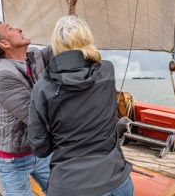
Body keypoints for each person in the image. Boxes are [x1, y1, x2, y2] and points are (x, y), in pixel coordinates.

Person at [0, 0, 79, 195]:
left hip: (40, 151)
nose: (19, 28)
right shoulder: (3, 74)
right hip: (14, 160)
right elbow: (34, 116)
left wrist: (71, 10)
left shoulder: (33, 55)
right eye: (10, 29)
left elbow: (65, 45)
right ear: (5, 44)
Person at [28, 16, 134, 196]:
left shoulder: (43, 89)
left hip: (71, 186)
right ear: (87, 38)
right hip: (116, 179)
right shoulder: (107, 70)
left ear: (55, 45)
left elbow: (40, 147)